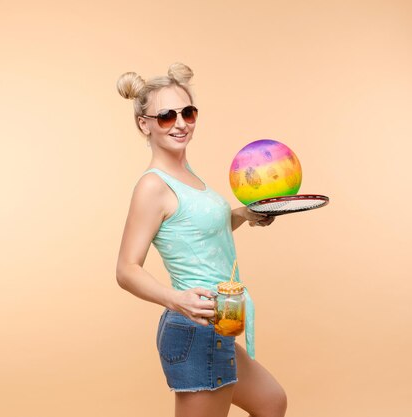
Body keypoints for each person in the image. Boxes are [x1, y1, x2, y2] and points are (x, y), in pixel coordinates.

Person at [115, 63, 287, 417]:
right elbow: (126, 270)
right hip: (195, 328)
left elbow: (197, 232)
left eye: (187, 112)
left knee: (271, 401)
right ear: (143, 123)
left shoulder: (187, 174)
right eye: (166, 116)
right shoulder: (154, 185)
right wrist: (178, 300)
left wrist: (242, 215)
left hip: (217, 322)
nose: (180, 124)